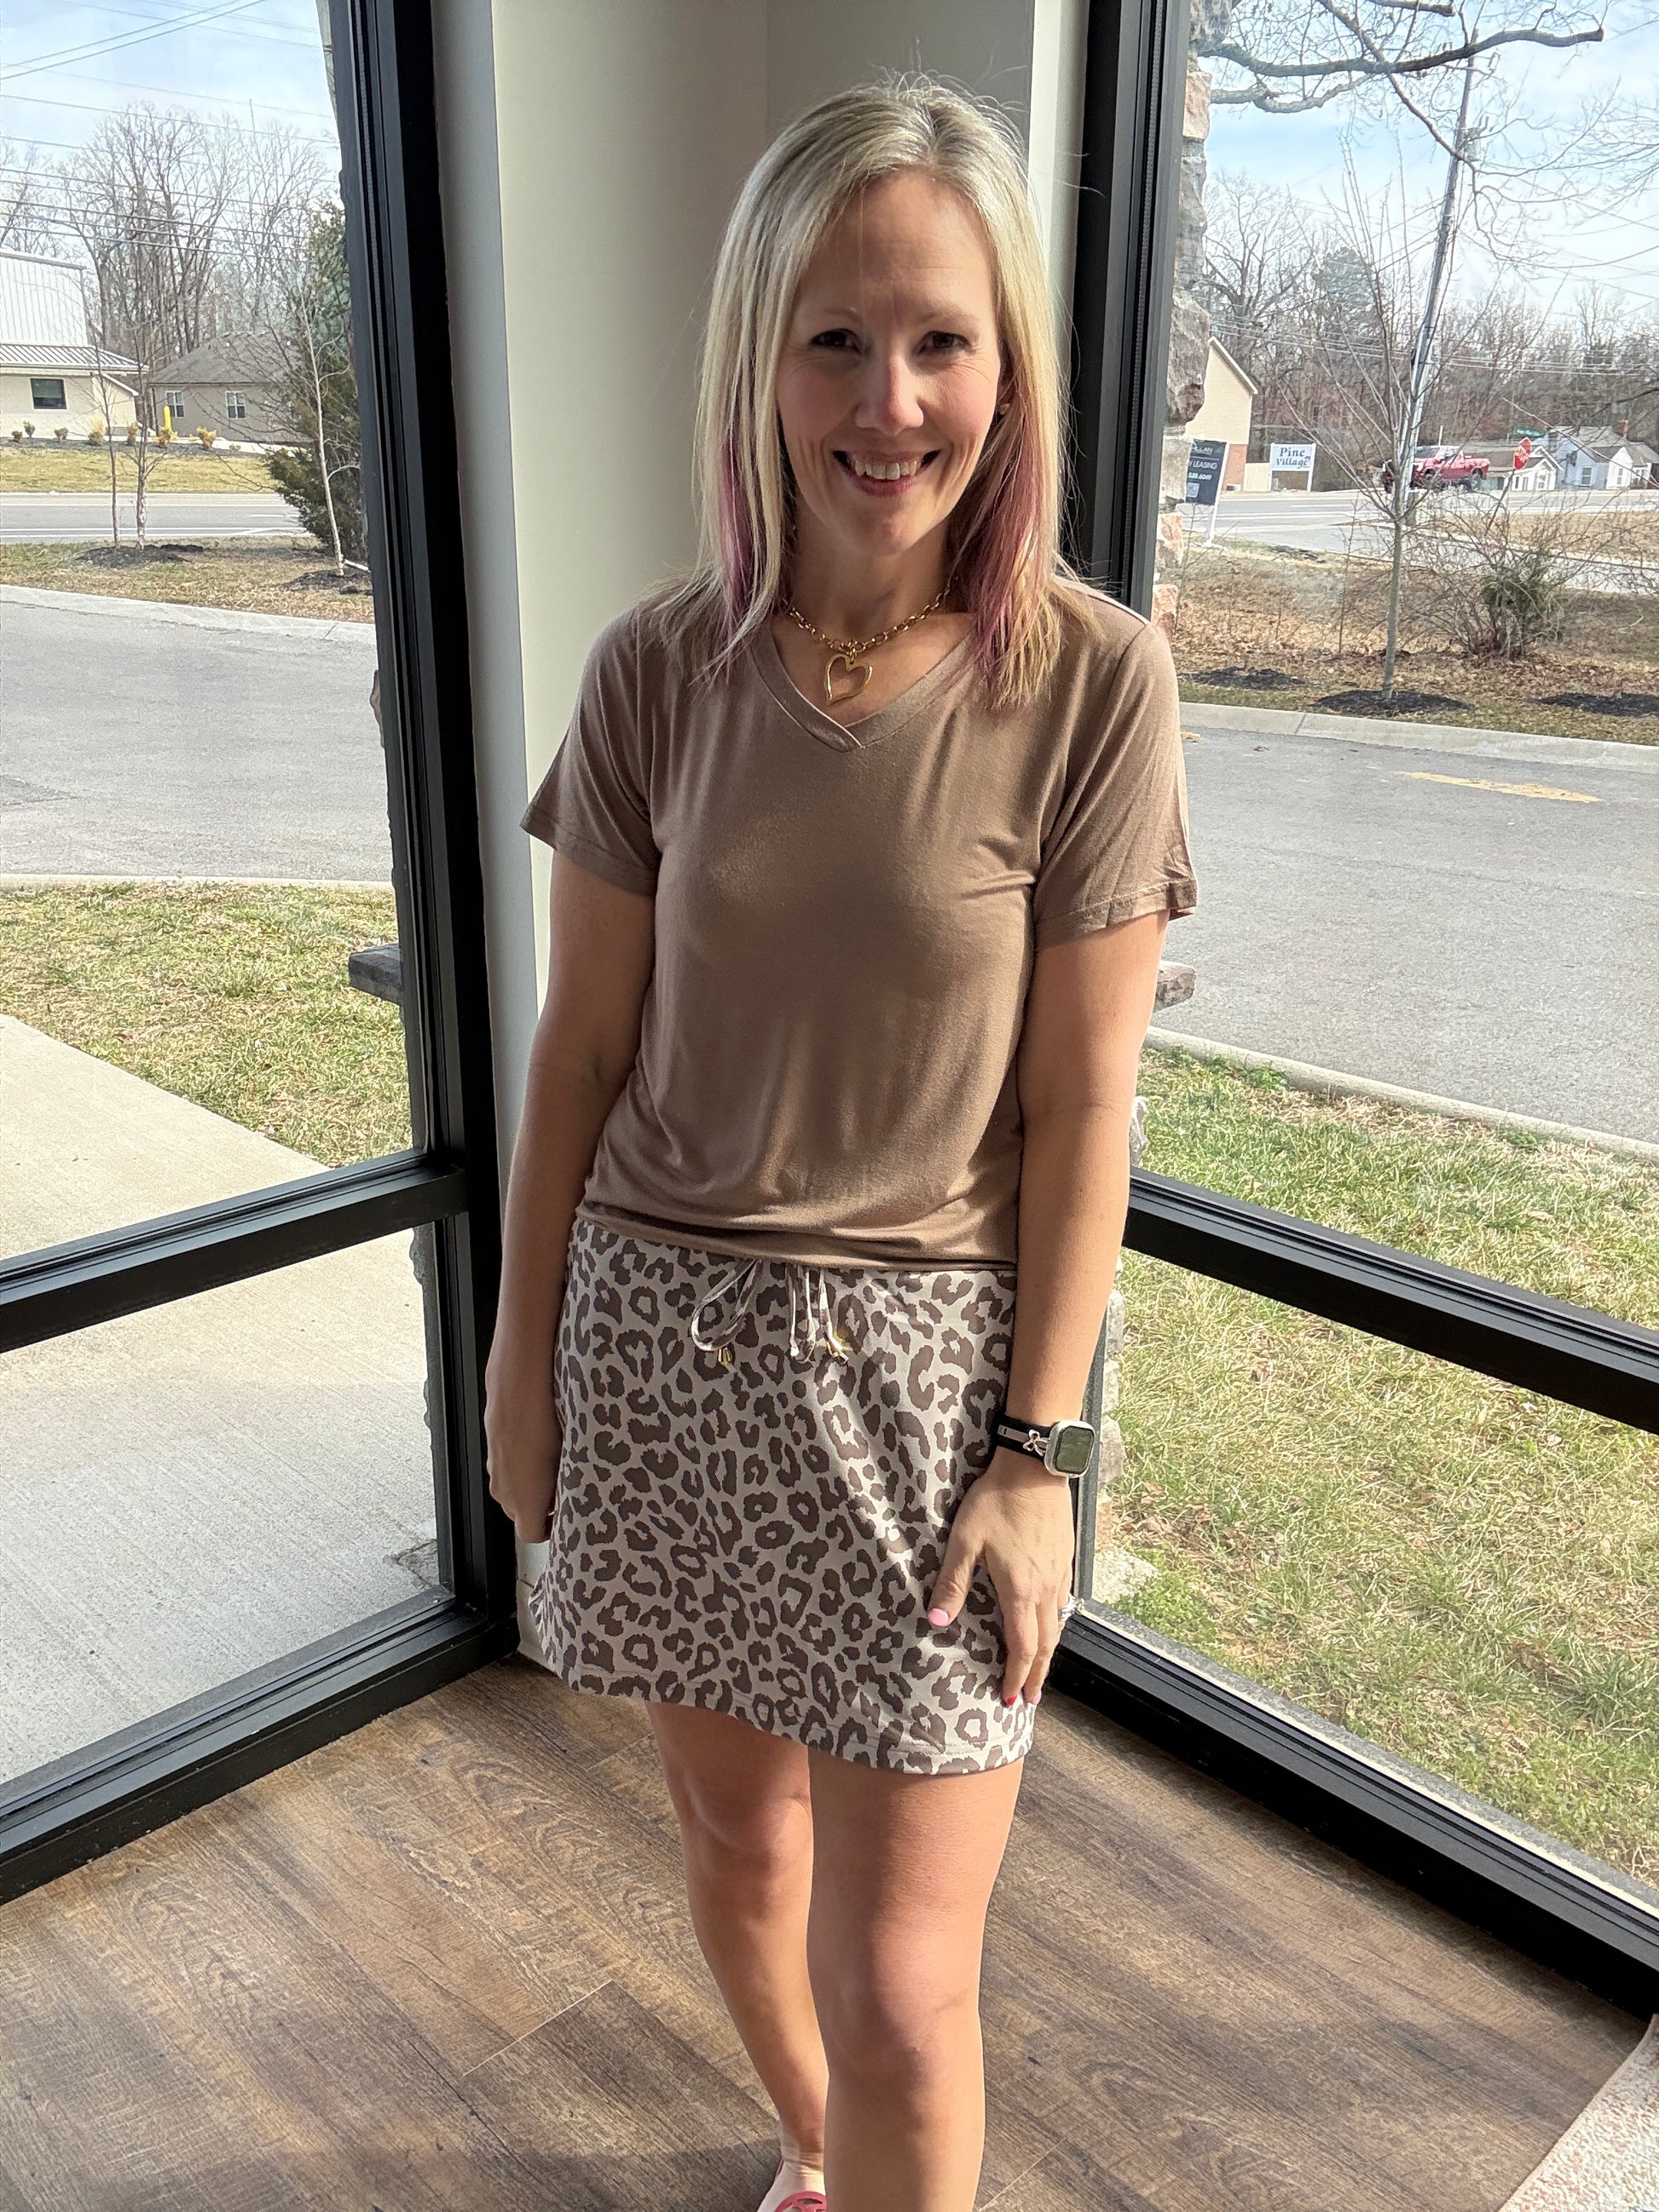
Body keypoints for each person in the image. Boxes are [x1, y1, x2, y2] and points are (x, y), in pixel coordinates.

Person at [483, 77, 1197, 2212]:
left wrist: (1039, 1454)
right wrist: (520, 1360)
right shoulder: (651, 671)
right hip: (661, 1348)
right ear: (759, 363)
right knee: (734, 1844)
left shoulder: (1095, 682)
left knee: (902, 1980)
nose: (889, 401)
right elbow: (577, 1050)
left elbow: (1084, 1103)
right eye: (835, 340)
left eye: (939, 340)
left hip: (928, 1393)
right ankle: (812, 2156)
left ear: (1006, 366)